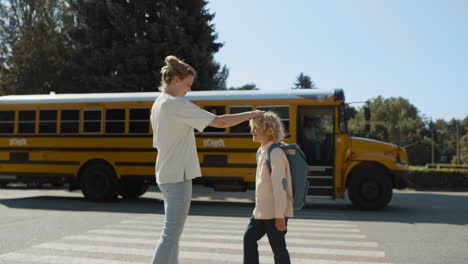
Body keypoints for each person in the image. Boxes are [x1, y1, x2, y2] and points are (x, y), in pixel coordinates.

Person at [150, 55, 264, 264]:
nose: (189, 90)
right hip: (177, 175)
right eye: (187, 84)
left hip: (166, 172)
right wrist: (251, 114)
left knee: (172, 236)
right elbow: (219, 122)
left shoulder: (159, 103)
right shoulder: (175, 105)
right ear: (175, 81)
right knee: (170, 235)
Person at [244, 111, 293, 264]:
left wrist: (280, 216)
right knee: (248, 239)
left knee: (278, 250)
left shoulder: (276, 153)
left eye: (255, 128)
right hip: (261, 211)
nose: (252, 131)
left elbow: (280, 188)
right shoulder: (261, 151)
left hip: (274, 212)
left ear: (267, 129)